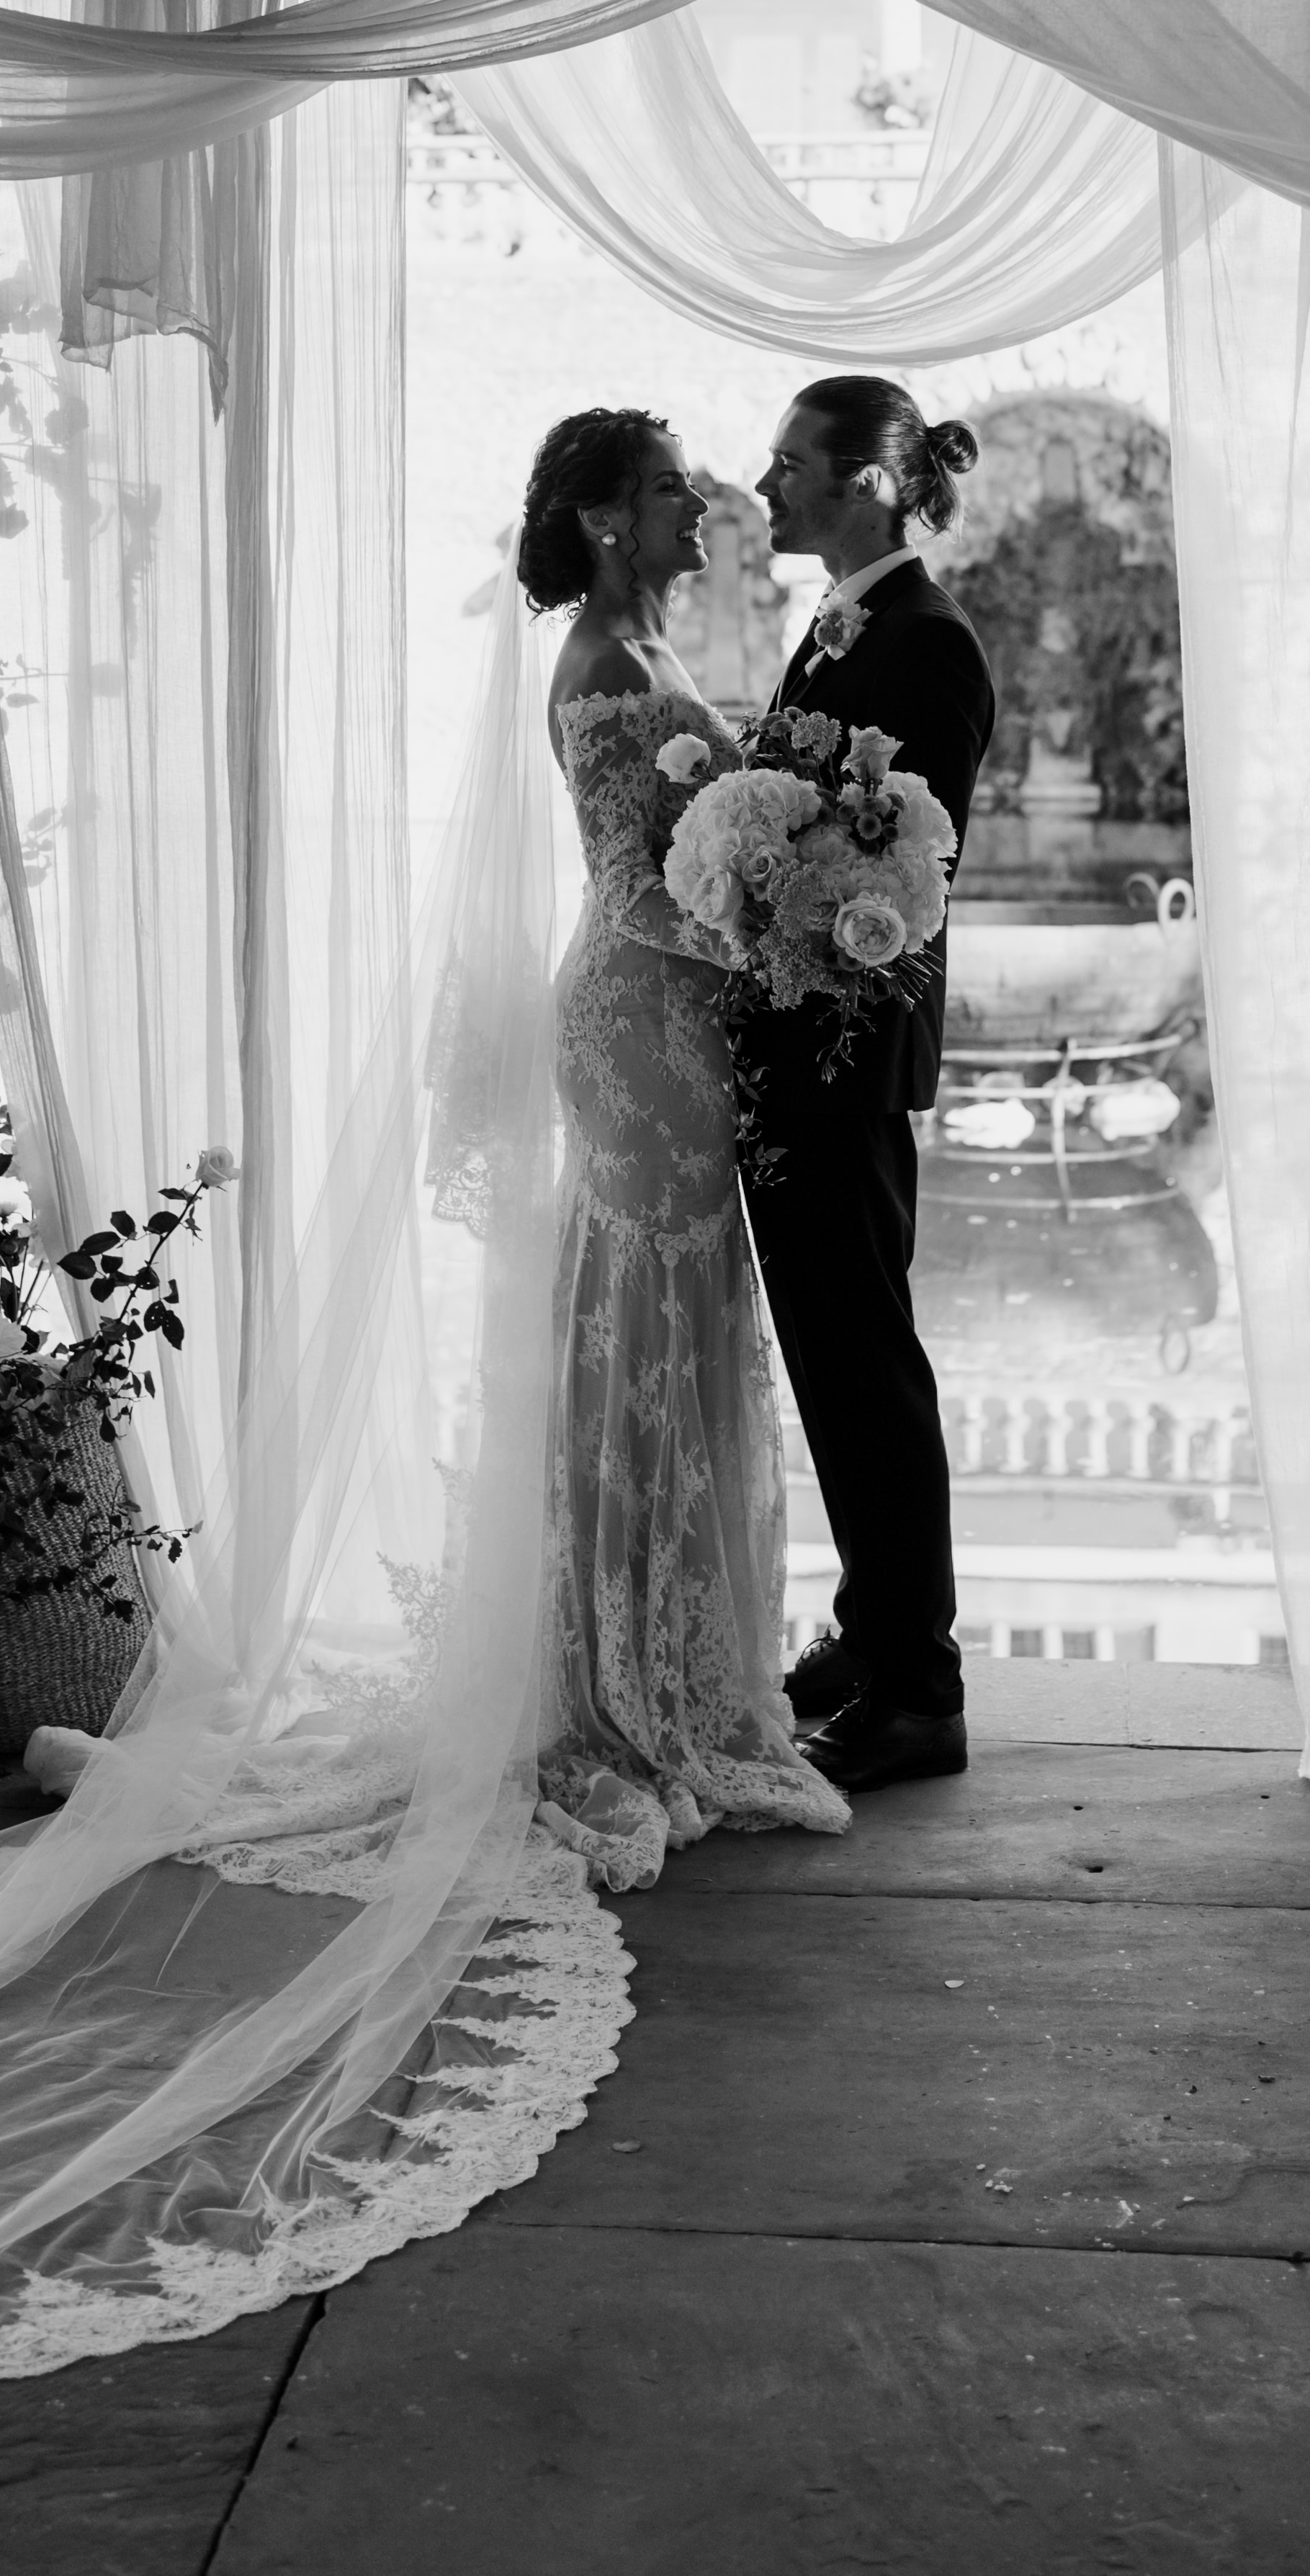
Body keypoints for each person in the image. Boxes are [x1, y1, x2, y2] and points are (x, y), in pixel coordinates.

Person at [521, 403, 848, 1889]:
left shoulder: (651, 645)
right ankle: (627, 1683)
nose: (693, 505)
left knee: (691, 1311)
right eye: (664, 489)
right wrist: (779, 947)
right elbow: (634, 887)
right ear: (604, 519)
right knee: (647, 1313)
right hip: (636, 1029)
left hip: (683, 1026)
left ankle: (685, 1654)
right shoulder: (600, 663)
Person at [748, 377, 995, 1795]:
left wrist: (762, 873)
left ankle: (920, 1685)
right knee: (833, 1358)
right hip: (798, 1045)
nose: (765, 484)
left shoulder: (925, 640)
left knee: (867, 1363)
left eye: (790, 463)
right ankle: (870, 1624)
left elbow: (908, 863)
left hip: (843, 1050)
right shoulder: (846, 621)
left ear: (869, 482)